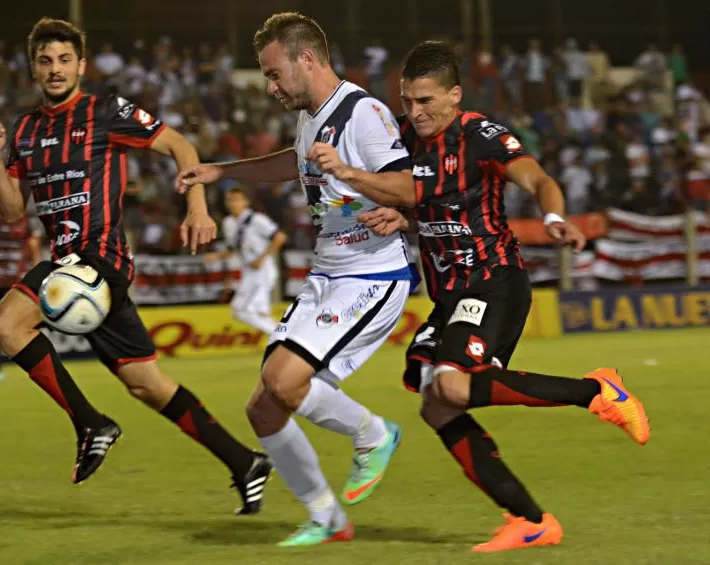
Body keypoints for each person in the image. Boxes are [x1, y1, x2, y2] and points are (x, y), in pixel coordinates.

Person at [356, 40, 651, 553]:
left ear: (454, 94)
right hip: (448, 295)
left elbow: (537, 179)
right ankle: (530, 519)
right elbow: (427, 199)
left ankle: (598, 392)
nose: (415, 112)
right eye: (407, 101)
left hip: (494, 281)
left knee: (452, 385)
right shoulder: (405, 140)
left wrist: (555, 216)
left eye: (425, 101)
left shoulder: (483, 136)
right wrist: (402, 217)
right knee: (437, 406)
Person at [0, 17, 272, 514]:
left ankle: (90, 424)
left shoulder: (105, 111)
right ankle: (245, 462)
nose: (55, 69)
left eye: (65, 59)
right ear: (33, 68)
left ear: (82, 66)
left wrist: (197, 206)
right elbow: (10, 211)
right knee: (147, 385)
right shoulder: (25, 130)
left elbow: (180, 145)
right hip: (68, 266)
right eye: (46, 60)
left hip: (101, 259)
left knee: (5, 322)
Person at [177, 12, 413, 546]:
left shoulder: (363, 112)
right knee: (262, 406)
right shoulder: (312, 115)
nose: (271, 86)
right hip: (326, 274)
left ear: (307, 59)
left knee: (285, 383)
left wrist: (361, 183)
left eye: (274, 72)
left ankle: (374, 434)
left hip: (371, 273)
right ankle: (326, 516)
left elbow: (406, 183)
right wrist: (223, 171)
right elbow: (295, 162)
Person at [203, 186, 286, 334]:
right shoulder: (228, 223)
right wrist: (217, 256)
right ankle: (282, 338)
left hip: (262, 271)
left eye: (236, 200)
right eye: (229, 200)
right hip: (248, 272)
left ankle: (283, 337)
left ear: (246, 202)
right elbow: (234, 248)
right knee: (251, 312)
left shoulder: (257, 219)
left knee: (244, 311)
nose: (232, 203)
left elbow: (280, 237)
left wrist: (262, 258)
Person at [0, 209, 41, 383]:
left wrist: (36, 271)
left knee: (27, 322)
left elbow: (33, 245)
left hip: (17, 280)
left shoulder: (24, 221)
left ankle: (37, 363)